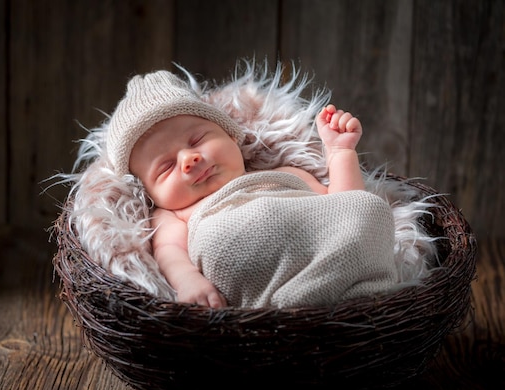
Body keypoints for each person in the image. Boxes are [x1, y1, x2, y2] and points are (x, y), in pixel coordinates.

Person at [106, 70, 399, 309]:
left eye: (196, 141)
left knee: (369, 206)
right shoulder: (175, 215)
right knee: (218, 239)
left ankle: (331, 293)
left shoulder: (285, 174)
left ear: (233, 138)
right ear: (149, 194)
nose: (189, 160)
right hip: (250, 266)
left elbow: (344, 206)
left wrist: (339, 152)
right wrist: (189, 282)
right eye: (166, 167)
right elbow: (170, 255)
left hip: (335, 257)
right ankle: (302, 302)